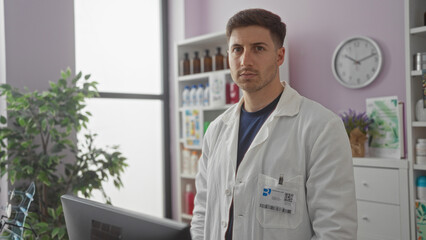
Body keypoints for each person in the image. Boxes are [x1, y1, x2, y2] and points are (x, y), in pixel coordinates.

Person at [190, 8, 357, 240]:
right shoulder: (216, 130)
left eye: (258, 48)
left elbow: (336, 230)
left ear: (279, 56)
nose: (245, 60)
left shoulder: (321, 127)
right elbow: (202, 212)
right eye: (237, 49)